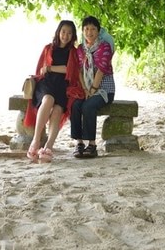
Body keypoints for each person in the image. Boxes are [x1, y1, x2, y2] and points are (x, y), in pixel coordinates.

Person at [24, 20, 83, 162]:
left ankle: (48, 147)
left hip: (63, 87)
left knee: (57, 110)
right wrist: (51, 69)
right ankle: (36, 141)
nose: (66, 35)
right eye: (63, 31)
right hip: (46, 84)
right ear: (58, 32)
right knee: (48, 99)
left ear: (73, 36)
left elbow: (70, 70)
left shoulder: (73, 52)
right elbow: (41, 69)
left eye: (69, 33)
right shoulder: (48, 48)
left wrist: (51, 68)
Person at [71, 16, 115, 159]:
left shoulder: (104, 47)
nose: (89, 32)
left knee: (88, 106)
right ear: (83, 31)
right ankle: (79, 143)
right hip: (86, 88)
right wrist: (85, 89)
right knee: (76, 104)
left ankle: (92, 144)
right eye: (86, 29)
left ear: (98, 31)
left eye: (93, 29)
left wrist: (92, 90)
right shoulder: (80, 49)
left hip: (104, 90)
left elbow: (101, 70)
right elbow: (79, 70)